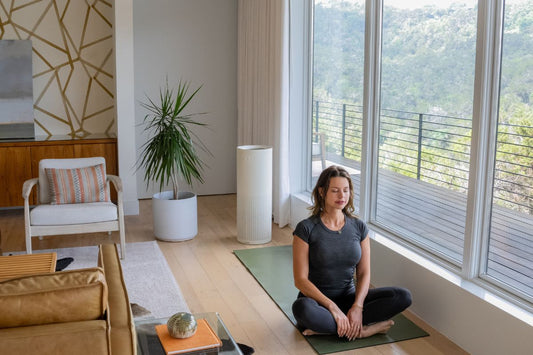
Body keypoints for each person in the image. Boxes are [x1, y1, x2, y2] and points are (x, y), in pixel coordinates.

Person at [292, 165, 412, 340]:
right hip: (318, 304)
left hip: (349, 299)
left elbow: (363, 273)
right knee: (301, 309)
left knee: (402, 296)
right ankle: (364, 331)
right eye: (335, 191)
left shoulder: (359, 227)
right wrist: (332, 307)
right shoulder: (306, 228)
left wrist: (357, 307)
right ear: (321, 192)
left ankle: (332, 329)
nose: (342, 196)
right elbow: (300, 280)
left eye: (346, 190)